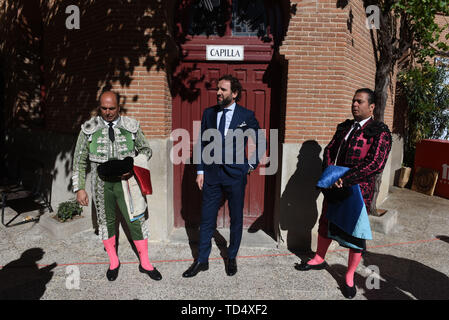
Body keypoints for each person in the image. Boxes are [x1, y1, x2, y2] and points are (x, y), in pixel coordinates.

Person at [295, 88, 392, 299]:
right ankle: (319, 258)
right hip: (334, 186)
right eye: (353, 101)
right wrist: (330, 175)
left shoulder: (380, 131)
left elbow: (375, 163)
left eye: (359, 102)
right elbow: (329, 150)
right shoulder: (344, 126)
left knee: (355, 234)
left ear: (372, 107)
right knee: (326, 221)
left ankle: (349, 277)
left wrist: (346, 178)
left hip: (358, 190)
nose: (354, 105)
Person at [72, 91, 162, 281]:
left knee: (135, 220)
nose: (108, 112)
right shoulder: (88, 128)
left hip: (127, 182)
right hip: (101, 184)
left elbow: (146, 149)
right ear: (99, 107)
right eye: (104, 108)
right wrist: (79, 188)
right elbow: (79, 160)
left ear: (118, 107)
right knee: (107, 222)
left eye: (112, 108)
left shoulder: (131, 126)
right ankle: (114, 261)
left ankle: (145, 262)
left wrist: (133, 165)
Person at [182, 74, 264, 277]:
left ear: (234, 93)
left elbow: (260, 141)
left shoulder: (246, 115)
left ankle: (232, 256)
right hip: (211, 175)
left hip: (236, 175)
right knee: (207, 218)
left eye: (223, 89)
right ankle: (202, 260)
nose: (218, 92)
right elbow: (202, 142)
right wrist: (200, 170)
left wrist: (249, 165)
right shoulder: (209, 113)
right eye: (217, 89)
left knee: (236, 218)